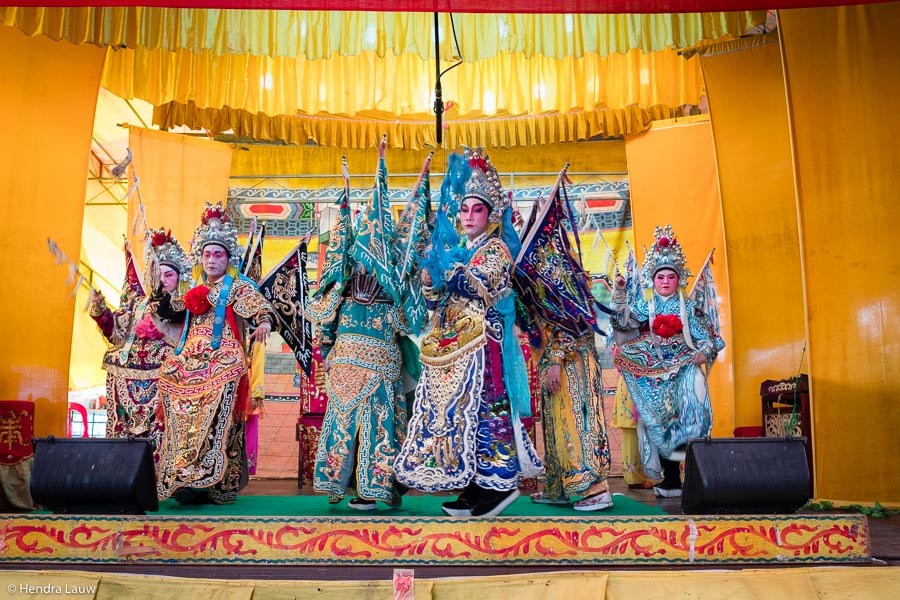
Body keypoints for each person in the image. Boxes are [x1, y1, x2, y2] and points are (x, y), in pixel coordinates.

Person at [395, 148, 541, 517]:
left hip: (484, 347)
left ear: (491, 217)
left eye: (478, 209)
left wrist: (444, 267)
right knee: (464, 417)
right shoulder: (462, 247)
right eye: (465, 209)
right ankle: (477, 484)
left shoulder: (497, 249)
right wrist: (429, 281)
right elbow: (435, 301)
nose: (469, 215)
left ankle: (500, 483)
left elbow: (478, 284)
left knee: (489, 412)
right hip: (454, 347)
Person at [308, 147, 415, 509]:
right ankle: (344, 485)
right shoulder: (341, 288)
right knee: (344, 427)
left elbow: (407, 325)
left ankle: (373, 490)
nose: (365, 268)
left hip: (382, 368)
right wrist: (326, 354)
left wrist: (393, 295)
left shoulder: (391, 291)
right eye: (360, 260)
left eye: (373, 260)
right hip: (344, 367)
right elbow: (322, 323)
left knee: (378, 427)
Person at [153, 203, 275, 505]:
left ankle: (212, 481)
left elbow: (258, 306)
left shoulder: (237, 288)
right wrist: (158, 284)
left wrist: (263, 321)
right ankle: (183, 476)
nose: (211, 259)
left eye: (218, 254)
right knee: (182, 419)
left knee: (219, 421)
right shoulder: (194, 289)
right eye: (207, 254)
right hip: (187, 367)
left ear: (227, 258)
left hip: (222, 364)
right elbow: (170, 310)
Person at [611, 225, 724, 498]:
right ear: (653, 279)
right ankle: (669, 478)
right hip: (653, 376)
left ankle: (681, 477)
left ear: (678, 279)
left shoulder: (688, 307)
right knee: (656, 427)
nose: (664, 281)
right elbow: (622, 322)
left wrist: (703, 353)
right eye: (660, 276)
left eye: (669, 276)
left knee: (683, 425)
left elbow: (710, 339)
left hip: (682, 373)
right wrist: (620, 292)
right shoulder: (646, 306)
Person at [89, 229, 190, 445]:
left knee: (161, 435)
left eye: (169, 274)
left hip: (164, 375)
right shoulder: (138, 303)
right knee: (124, 434)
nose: (162, 280)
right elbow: (116, 332)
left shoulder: (183, 304)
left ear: (179, 278)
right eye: (158, 274)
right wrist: (100, 311)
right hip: (126, 374)